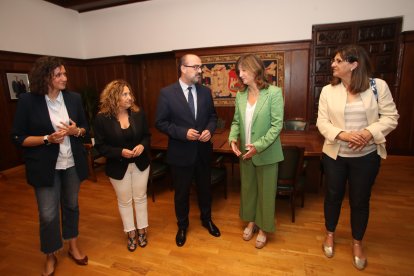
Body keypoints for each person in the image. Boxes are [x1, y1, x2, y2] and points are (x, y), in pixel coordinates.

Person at [317, 44, 399, 270]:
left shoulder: (377, 87)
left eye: (338, 60)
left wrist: (366, 133)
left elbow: (391, 117)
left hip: (367, 157)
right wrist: (343, 135)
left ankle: (357, 243)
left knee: (360, 200)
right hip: (335, 155)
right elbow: (322, 123)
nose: (333, 64)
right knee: (332, 196)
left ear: (354, 64)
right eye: (334, 61)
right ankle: (330, 234)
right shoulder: (328, 91)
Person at [11, 56, 89, 275]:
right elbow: (18, 137)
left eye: (64, 73)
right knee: (48, 214)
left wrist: (77, 131)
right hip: (45, 167)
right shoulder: (28, 101)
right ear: (46, 77)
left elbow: (85, 128)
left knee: (72, 206)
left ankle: (73, 246)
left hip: (72, 163)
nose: (65, 78)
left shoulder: (74, 99)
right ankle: (51, 253)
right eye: (59, 75)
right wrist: (47, 138)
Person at [155, 53, 220, 247]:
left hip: (202, 152)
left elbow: (213, 117)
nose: (200, 71)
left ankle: (206, 219)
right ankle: (182, 226)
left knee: (205, 190)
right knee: (181, 193)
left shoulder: (205, 92)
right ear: (183, 68)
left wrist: (209, 130)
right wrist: (182, 133)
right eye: (196, 67)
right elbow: (160, 122)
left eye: (201, 67)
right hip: (180, 153)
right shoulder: (166, 93)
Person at [228, 54, 284, 249]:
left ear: (255, 70)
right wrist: (233, 139)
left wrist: (258, 146)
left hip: (266, 153)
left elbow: (277, 126)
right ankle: (251, 221)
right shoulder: (240, 95)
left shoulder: (274, 93)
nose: (240, 74)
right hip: (245, 153)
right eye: (239, 71)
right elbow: (236, 122)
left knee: (266, 192)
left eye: (244, 70)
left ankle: (263, 228)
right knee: (249, 190)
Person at [94, 80, 151, 252]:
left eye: (130, 94)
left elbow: (147, 136)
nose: (130, 98)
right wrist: (120, 152)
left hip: (141, 164)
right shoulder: (102, 119)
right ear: (113, 97)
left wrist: (142, 145)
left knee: (140, 197)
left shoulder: (138, 114)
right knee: (125, 201)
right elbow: (101, 146)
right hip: (118, 167)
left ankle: (142, 230)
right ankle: (131, 233)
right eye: (125, 94)